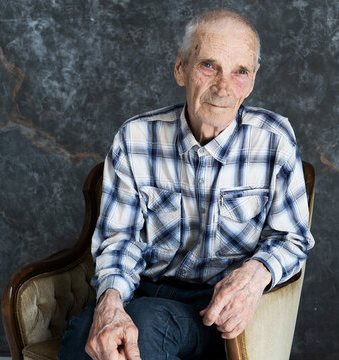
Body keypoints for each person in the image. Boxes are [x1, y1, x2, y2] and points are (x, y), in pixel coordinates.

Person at [58, 8, 314, 360]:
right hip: (143, 292)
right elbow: (120, 241)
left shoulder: (274, 141)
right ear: (181, 68)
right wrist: (111, 303)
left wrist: (255, 275)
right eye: (209, 65)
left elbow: (293, 238)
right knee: (83, 338)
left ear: (252, 79)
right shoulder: (135, 138)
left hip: (214, 310)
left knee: (143, 330)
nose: (223, 87)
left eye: (240, 72)